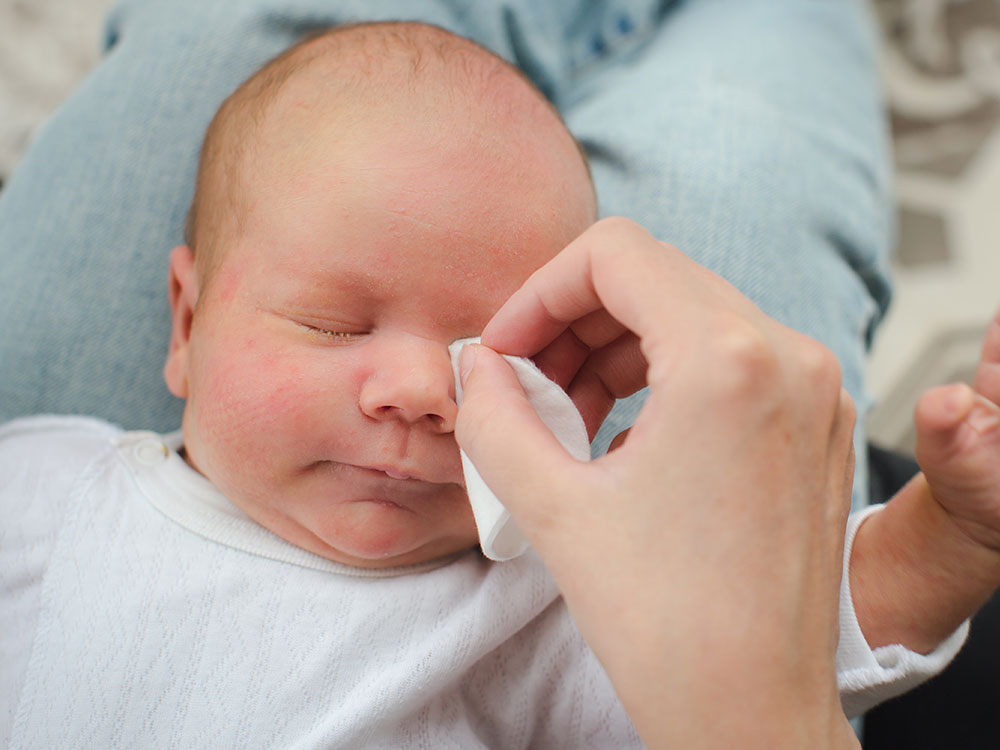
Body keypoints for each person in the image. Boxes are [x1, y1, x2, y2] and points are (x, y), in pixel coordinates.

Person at [2, 21, 998, 748]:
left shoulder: (528, 603)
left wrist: (945, 536)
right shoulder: (53, 492)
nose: (419, 390)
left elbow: (777, 631)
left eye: (491, 351)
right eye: (333, 325)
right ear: (184, 323)